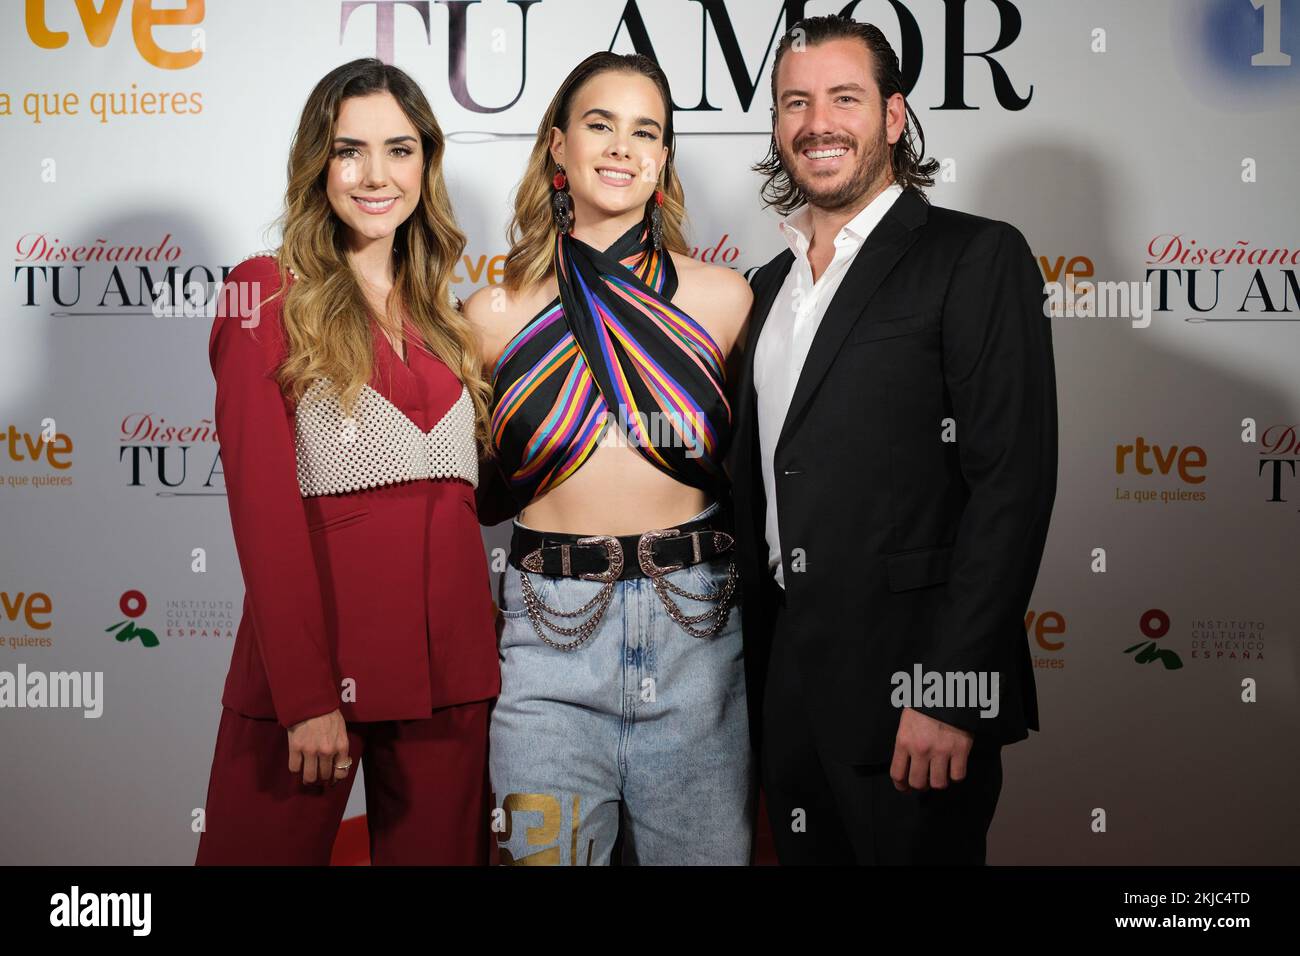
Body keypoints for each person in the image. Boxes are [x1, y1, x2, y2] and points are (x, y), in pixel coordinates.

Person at [732, 15, 1058, 865]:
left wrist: (951, 690)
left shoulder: (974, 256)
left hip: (917, 687)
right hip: (787, 682)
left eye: (845, 97)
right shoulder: (764, 288)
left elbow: (1011, 486)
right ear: (776, 126)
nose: (818, 122)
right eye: (795, 102)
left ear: (893, 115)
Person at [195, 58, 499, 865]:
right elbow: (262, 513)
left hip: (452, 681)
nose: (376, 175)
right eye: (348, 150)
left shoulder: (448, 318)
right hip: (317, 676)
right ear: (315, 165)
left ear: (426, 163)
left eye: (400, 150)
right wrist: (304, 695)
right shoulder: (263, 295)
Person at [464, 52, 755, 865]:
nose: (622, 147)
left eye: (645, 131)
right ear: (557, 145)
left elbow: (767, 475)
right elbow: (464, 489)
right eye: (600, 125)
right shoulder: (486, 315)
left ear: (663, 159)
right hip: (547, 640)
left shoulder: (725, 300)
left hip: (695, 627)